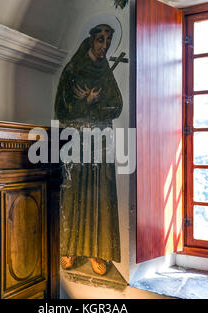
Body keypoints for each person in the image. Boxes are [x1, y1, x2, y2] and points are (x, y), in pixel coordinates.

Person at [55, 24, 123, 276]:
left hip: (101, 141)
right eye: (100, 40)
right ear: (91, 41)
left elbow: (116, 107)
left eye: (107, 41)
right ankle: (70, 248)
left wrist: (96, 103)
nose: (104, 46)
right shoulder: (72, 70)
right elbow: (62, 111)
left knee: (99, 194)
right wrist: (85, 102)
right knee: (74, 193)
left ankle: (97, 250)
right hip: (75, 141)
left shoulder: (105, 72)